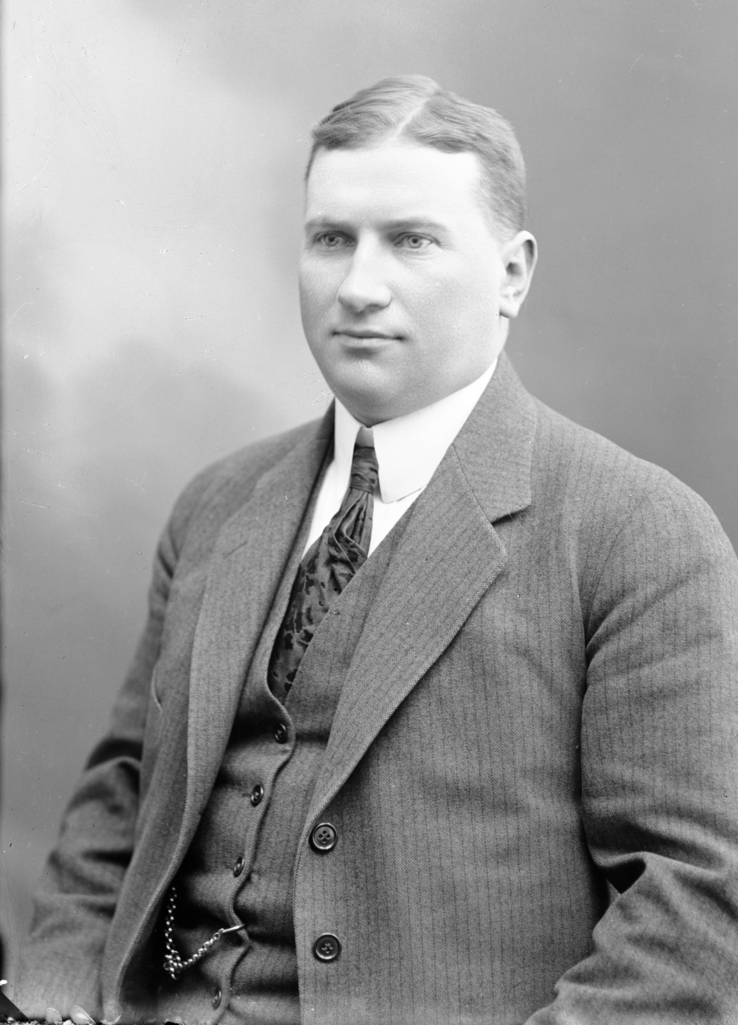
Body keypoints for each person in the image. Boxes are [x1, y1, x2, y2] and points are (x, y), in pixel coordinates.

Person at [12, 76, 738, 1025]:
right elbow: (121, 793)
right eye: (331, 239)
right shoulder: (218, 504)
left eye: (411, 240)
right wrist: (53, 997)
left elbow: (693, 913)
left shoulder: (637, 532)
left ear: (512, 274)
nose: (358, 286)